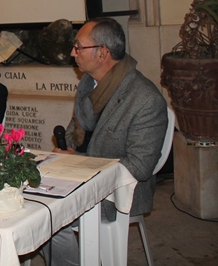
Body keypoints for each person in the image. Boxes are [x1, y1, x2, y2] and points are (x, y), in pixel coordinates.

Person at [43, 17, 168, 266]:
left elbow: (139, 166)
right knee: (33, 204)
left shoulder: (145, 99)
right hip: (78, 177)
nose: (72, 53)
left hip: (117, 191)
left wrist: (78, 161)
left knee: (49, 219)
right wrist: (66, 152)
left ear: (102, 53)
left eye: (78, 47)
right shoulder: (89, 85)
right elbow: (73, 132)